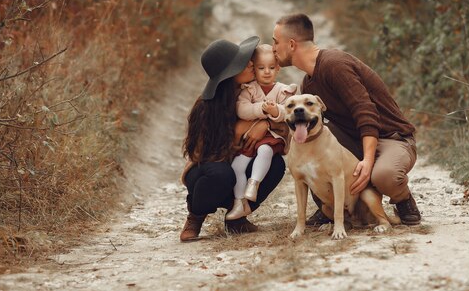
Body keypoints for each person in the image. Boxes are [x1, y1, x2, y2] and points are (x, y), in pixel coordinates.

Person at [272, 14, 421, 225]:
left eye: (276, 42)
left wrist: (367, 162)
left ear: (292, 44)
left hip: (390, 137)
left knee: (384, 175)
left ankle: (403, 199)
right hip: (355, 140)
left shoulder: (335, 64)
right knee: (316, 141)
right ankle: (330, 206)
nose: (273, 48)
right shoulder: (308, 84)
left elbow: (366, 112)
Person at [180, 36, 286, 242]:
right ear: (231, 73)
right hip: (208, 168)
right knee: (222, 174)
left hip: (238, 163)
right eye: (243, 63)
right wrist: (237, 132)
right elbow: (202, 153)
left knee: (275, 164)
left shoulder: (252, 92)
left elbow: (282, 122)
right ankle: (195, 216)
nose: (251, 64)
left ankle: (237, 216)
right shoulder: (207, 106)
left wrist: (266, 124)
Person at [226, 44, 297, 220]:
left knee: (265, 151)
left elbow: (289, 112)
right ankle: (239, 202)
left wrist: (275, 112)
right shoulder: (249, 89)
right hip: (250, 138)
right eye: (261, 68)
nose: (267, 72)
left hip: (272, 138)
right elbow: (241, 109)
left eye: (271, 68)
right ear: (254, 69)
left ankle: (254, 183)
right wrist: (261, 109)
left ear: (278, 69)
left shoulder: (283, 90)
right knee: (237, 166)